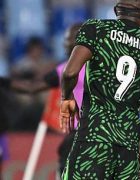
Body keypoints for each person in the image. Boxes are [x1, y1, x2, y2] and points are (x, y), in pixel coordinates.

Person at [59, 0, 140, 179]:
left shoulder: (96, 29)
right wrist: (137, 101)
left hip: (93, 139)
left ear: (116, 10)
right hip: (128, 149)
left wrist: (66, 98)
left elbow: (70, 72)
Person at [0, 23, 83, 177]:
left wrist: (4, 81)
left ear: (78, 40)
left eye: (67, 39)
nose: (64, 44)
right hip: (102, 133)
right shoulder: (104, 66)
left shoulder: (66, 69)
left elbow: (31, 87)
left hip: (81, 135)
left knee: (65, 168)